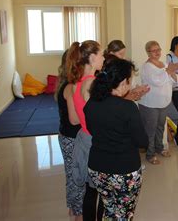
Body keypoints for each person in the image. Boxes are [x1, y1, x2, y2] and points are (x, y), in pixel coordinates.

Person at [85, 58, 149, 220]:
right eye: (130, 80)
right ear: (123, 82)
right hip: (123, 171)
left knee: (110, 209)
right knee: (123, 215)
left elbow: (92, 130)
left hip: (97, 168)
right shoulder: (128, 108)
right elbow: (143, 142)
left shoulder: (92, 103)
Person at [66, 40, 105, 221]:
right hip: (96, 143)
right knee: (103, 192)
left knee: (91, 191)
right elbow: (99, 118)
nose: (104, 58)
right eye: (102, 54)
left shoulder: (76, 83)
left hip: (84, 139)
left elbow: (74, 119)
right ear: (92, 57)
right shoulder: (92, 84)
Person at [139, 41, 178, 165]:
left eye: (158, 49)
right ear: (148, 52)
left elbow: (175, 79)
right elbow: (157, 81)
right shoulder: (147, 66)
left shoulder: (164, 64)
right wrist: (168, 72)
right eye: (153, 50)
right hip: (150, 104)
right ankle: (150, 154)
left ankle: (159, 148)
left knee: (161, 127)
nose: (157, 52)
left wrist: (171, 72)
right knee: (150, 130)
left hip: (163, 102)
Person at [56, 50, 84, 219]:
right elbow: (74, 120)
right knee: (77, 176)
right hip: (72, 137)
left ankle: (74, 208)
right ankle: (78, 213)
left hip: (67, 135)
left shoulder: (68, 83)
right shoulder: (70, 86)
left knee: (72, 174)